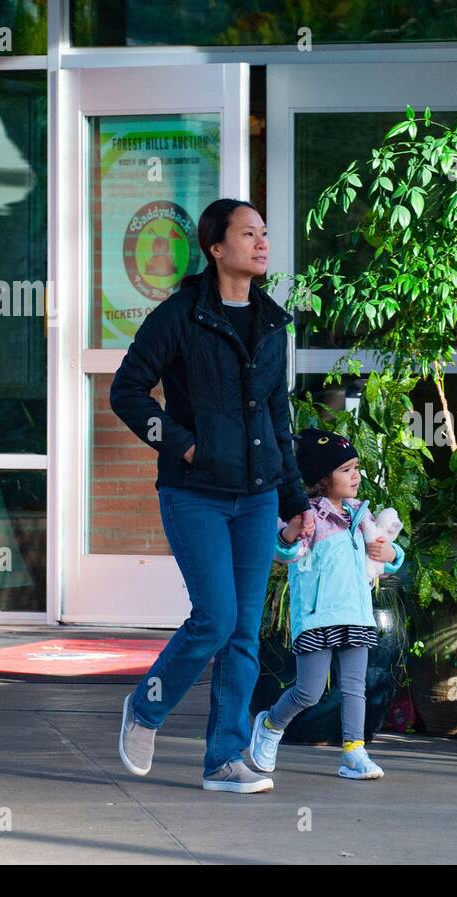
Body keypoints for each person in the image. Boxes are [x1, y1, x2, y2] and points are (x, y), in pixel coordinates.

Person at [109, 198, 316, 794]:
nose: (261, 242)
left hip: (255, 498)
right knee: (216, 617)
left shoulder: (273, 324)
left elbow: (279, 419)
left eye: (265, 233)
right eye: (248, 233)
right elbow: (127, 392)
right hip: (194, 493)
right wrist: (183, 446)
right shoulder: (181, 314)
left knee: (244, 633)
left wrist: (294, 499)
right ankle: (146, 707)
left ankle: (225, 759)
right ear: (216, 248)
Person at [248, 428, 405, 780]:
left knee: (354, 687)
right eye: (346, 469)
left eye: (357, 467)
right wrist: (289, 535)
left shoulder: (360, 515)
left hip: (356, 614)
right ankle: (271, 723)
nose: (356, 475)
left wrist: (391, 553)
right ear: (322, 478)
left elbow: (386, 553)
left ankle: (355, 751)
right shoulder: (308, 516)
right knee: (309, 691)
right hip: (318, 616)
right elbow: (286, 553)